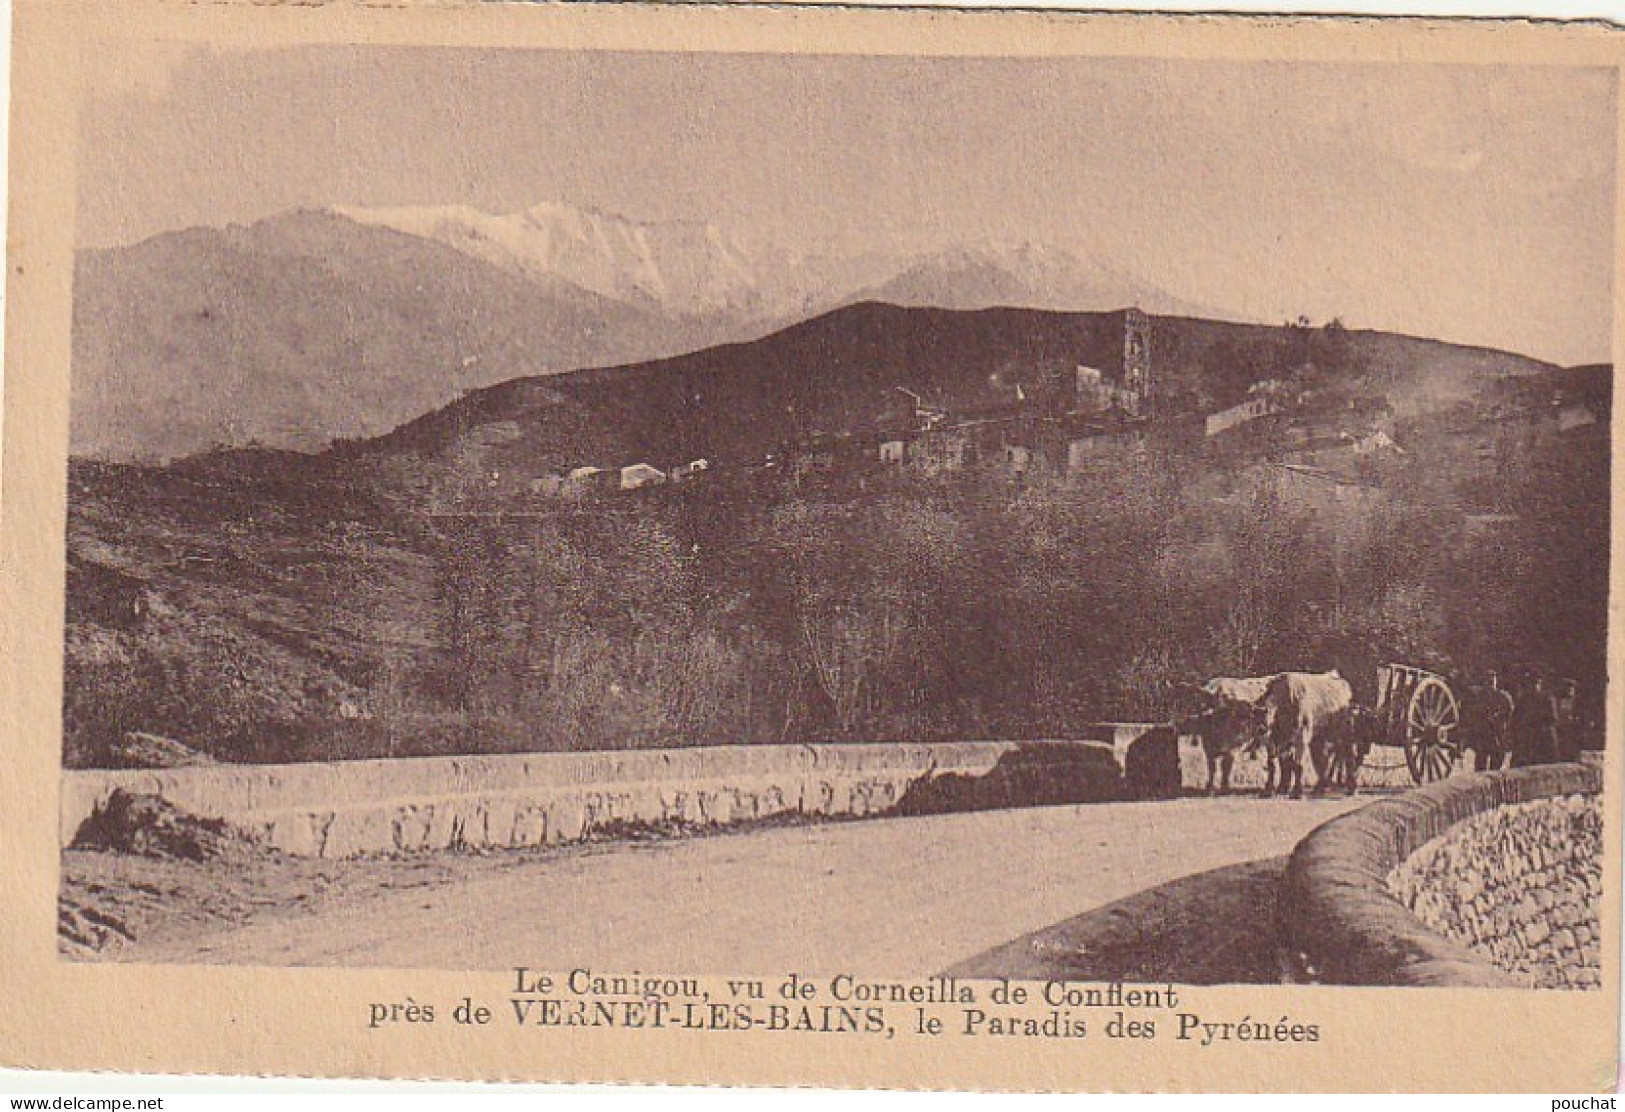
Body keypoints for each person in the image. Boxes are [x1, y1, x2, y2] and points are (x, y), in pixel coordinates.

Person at [1508, 672, 1561, 768]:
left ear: (1540, 685)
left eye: (1536, 684)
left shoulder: (1547, 699)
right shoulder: (1523, 700)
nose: (1534, 687)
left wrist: (1537, 725)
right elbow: (1515, 720)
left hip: (1543, 739)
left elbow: (1553, 719)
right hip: (1527, 740)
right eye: (1531, 684)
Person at [1468, 669, 1515, 772]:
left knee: (1497, 761)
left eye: (1492, 680)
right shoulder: (1479, 697)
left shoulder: (1503, 697)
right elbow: (1473, 713)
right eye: (1487, 680)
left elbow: (1510, 713)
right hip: (1483, 734)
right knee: (1480, 763)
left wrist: (1498, 718)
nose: (1490, 683)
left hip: (1498, 733)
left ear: (1496, 681)